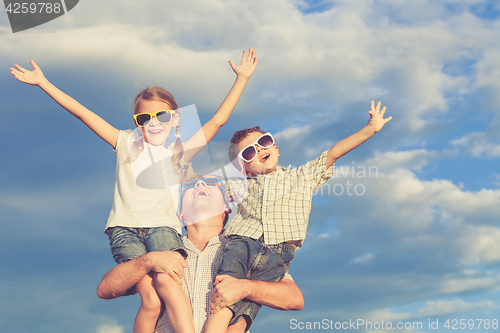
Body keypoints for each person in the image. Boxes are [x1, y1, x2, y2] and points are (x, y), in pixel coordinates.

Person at [10, 48, 259, 333]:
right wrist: (44, 83)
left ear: (175, 119)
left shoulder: (179, 154)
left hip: (162, 229)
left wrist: (241, 79)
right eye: (145, 119)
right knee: (151, 300)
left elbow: (217, 121)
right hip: (124, 229)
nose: (154, 123)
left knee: (167, 282)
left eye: (162, 116)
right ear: (136, 123)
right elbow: (82, 113)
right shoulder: (124, 143)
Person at [205, 101, 392, 332]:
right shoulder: (240, 184)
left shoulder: (302, 176)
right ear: (244, 166)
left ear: (276, 147)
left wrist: (370, 129)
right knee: (223, 298)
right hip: (242, 244)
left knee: (243, 316)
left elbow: (334, 152)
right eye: (249, 151)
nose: (260, 149)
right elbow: (204, 188)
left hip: (279, 255)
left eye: (264, 142)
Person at [96, 168, 304, 333]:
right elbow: (105, 289)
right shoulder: (162, 249)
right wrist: (147, 261)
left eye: (212, 182)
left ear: (226, 207)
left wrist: (246, 288)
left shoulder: (245, 249)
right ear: (180, 213)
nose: (200, 184)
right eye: (189, 186)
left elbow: (294, 298)